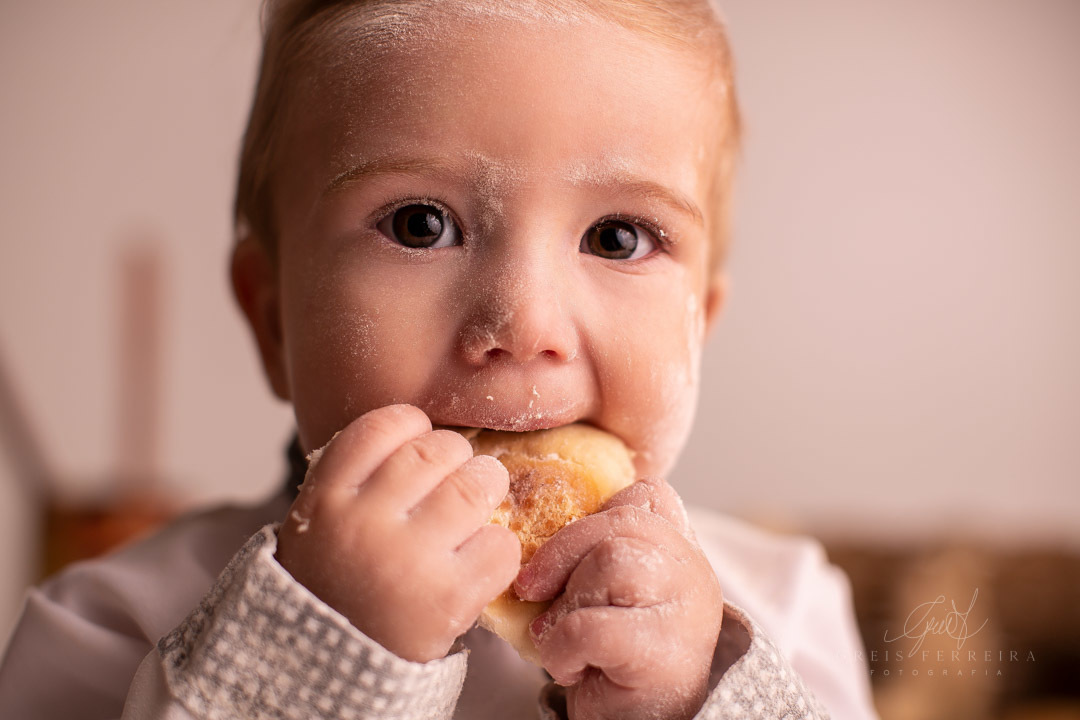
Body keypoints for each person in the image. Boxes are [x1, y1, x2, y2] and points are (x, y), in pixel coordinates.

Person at [0, 1, 879, 718]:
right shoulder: (111, 627)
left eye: (617, 237)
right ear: (272, 321)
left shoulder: (784, 612)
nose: (524, 322)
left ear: (700, 324)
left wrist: (698, 700)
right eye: (421, 224)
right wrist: (308, 662)